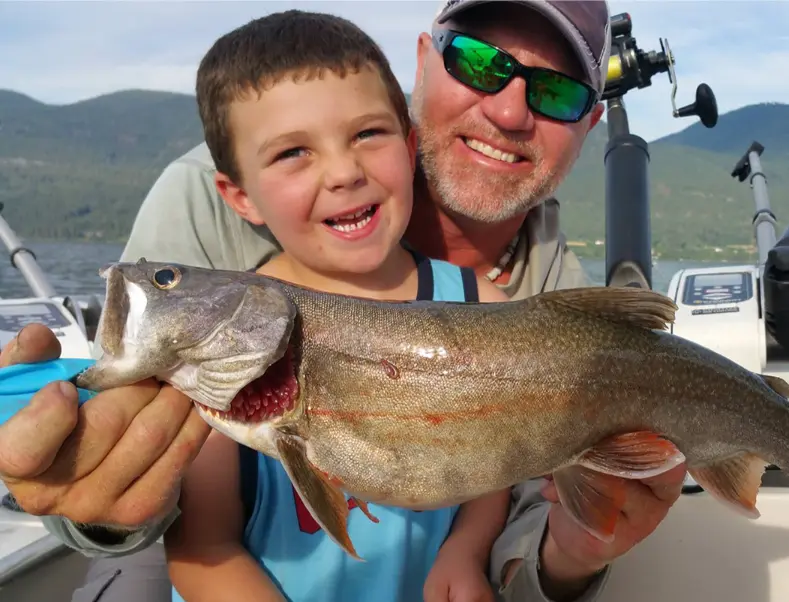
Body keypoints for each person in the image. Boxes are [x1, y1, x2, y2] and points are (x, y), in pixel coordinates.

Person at [0, 1, 688, 602]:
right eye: (479, 62)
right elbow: (190, 536)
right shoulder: (202, 215)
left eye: (557, 92)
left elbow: (498, 478)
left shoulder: (541, 299)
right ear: (426, 62)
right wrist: (93, 489)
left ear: (592, 120)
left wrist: (550, 554)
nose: (509, 110)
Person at [164, 9, 512, 602]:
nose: (344, 172)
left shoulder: (485, 308)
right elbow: (203, 549)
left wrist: (466, 548)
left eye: (368, 134)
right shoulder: (218, 341)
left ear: (408, 146)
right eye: (292, 153)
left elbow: (496, 456)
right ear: (239, 196)